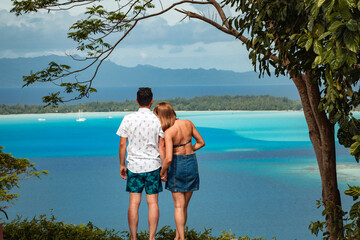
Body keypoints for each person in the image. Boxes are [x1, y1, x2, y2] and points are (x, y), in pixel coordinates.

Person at [116, 87, 165, 240]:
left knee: (134, 203)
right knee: (153, 203)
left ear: (137, 100)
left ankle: (133, 237)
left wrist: (122, 164)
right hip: (153, 166)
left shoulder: (128, 118)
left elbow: (123, 144)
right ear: (152, 101)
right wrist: (165, 168)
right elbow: (161, 145)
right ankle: (152, 238)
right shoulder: (157, 120)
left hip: (134, 166)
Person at [153, 102, 205, 240]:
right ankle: (178, 236)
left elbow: (168, 158)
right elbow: (201, 142)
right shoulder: (188, 123)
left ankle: (181, 238)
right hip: (192, 162)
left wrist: (162, 172)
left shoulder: (168, 132)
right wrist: (188, 151)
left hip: (177, 165)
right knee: (184, 206)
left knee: (178, 207)